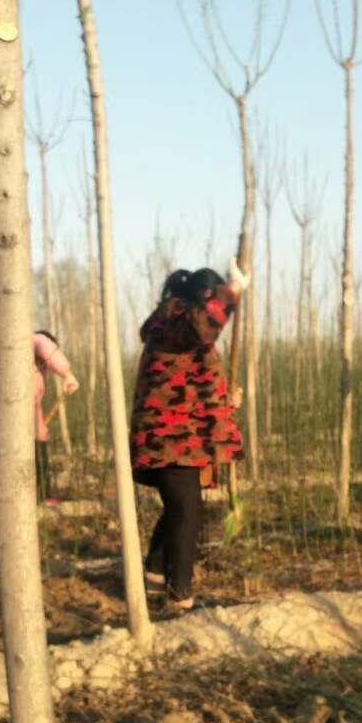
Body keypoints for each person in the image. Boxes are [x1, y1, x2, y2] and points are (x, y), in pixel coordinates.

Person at [130, 259, 248, 610]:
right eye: (214, 302)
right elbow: (203, 327)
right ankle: (179, 595)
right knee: (186, 510)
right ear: (203, 298)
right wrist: (234, 293)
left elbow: (191, 378)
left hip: (182, 435)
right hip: (169, 436)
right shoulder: (175, 316)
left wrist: (225, 398)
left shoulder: (176, 323)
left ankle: (154, 571)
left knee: (182, 505)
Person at [33, 330, 79, 504]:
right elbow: (44, 345)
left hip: (29, 415)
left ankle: (42, 496)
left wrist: (40, 428)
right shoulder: (36, 341)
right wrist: (67, 374)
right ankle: (38, 497)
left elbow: (34, 403)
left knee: (40, 447)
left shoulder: (35, 367)